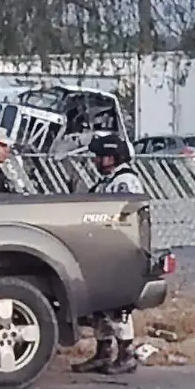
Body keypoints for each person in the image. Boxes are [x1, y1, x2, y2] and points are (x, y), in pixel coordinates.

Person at [71, 134, 145, 376]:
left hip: (119, 250)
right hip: (102, 251)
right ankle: (103, 353)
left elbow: (124, 217)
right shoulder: (107, 181)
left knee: (117, 305)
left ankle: (126, 354)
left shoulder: (125, 182)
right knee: (100, 306)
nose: (95, 160)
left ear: (111, 157)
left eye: (99, 156)